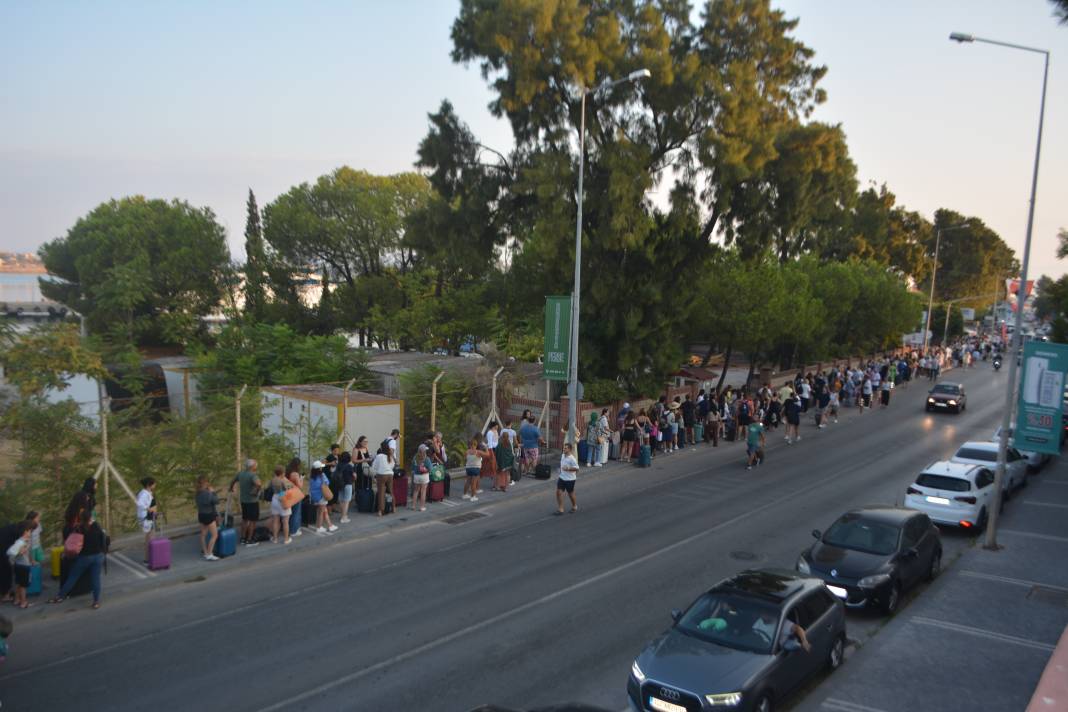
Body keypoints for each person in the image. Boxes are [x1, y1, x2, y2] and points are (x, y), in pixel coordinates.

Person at [48, 512, 106, 610]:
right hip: (98, 556)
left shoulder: (79, 528)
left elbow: (73, 543)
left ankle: (60, 596)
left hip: (84, 557)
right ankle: (96, 602)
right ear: (91, 518)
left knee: (73, 577)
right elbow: (102, 539)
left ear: (81, 519)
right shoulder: (96, 526)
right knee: (95, 579)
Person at [231, 459, 262, 547]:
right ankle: (249, 540)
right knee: (253, 521)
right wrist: (256, 491)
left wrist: (231, 488)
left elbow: (233, 481)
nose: (256, 466)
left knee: (245, 520)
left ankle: (242, 538)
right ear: (252, 466)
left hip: (244, 501)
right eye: (256, 465)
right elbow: (258, 484)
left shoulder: (241, 474)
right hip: (252, 501)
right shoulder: (253, 475)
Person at [5, 522, 33, 609]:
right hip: (24, 566)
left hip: (18, 565)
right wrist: (23, 550)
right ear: (25, 531)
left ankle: (17, 600)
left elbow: (12, 553)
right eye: (29, 531)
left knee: (18, 583)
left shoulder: (18, 540)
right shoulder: (22, 542)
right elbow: (15, 552)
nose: (30, 533)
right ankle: (23, 602)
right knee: (23, 585)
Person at [195, 477, 220, 561]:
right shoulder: (208, 493)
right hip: (209, 515)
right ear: (205, 483)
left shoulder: (197, 493)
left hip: (201, 514)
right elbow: (216, 501)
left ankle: (205, 552)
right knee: (214, 535)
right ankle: (209, 553)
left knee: (203, 535)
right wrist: (213, 492)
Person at [309, 462, 337, 533]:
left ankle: (328, 525)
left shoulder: (312, 476)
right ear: (319, 469)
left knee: (320, 511)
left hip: (315, 497)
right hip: (322, 496)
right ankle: (319, 527)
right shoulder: (322, 475)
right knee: (321, 512)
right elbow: (327, 482)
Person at [136, 477, 158, 564]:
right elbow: (140, 504)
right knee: (151, 538)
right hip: (148, 519)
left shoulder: (147, 493)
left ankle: (147, 558)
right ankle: (149, 558)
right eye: (154, 484)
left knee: (148, 538)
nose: (155, 485)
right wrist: (149, 509)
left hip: (150, 517)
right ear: (149, 485)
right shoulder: (144, 494)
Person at [268, 465, 293, 544]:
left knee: (276, 520)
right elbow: (291, 488)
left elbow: (269, 488)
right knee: (285, 521)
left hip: (275, 498)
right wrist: (285, 479)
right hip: (283, 498)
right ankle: (286, 539)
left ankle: (275, 538)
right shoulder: (283, 480)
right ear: (282, 472)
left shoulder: (273, 480)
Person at [555, 442, 579, 515]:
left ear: (570, 449)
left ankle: (574, 506)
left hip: (570, 479)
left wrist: (568, 469)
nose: (564, 449)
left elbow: (577, 469)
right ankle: (561, 509)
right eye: (563, 448)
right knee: (558, 492)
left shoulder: (572, 459)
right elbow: (563, 465)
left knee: (570, 494)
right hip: (562, 477)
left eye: (565, 448)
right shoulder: (562, 455)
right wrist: (560, 470)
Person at [371, 443, 396, 516]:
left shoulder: (379, 456)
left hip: (382, 475)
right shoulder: (390, 456)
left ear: (382, 448)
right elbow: (392, 465)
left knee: (381, 493)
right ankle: (394, 507)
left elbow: (374, 466)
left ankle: (380, 511)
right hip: (390, 474)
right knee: (391, 491)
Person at [464, 436, 490, 502]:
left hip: (468, 468)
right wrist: (486, 447)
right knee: (474, 483)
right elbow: (488, 455)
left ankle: (464, 494)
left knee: (468, 482)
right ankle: (473, 496)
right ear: (476, 445)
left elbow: (465, 459)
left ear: (470, 445)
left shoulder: (467, 451)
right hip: (475, 468)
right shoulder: (478, 452)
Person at [410, 443, 432, 510]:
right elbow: (430, 469)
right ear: (424, 451)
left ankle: (413, 506)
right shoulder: (427, 459)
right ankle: (422, 507)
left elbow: (412, 467)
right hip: (424, 476)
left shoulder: (415, 457)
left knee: (416, 491)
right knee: (423, 492)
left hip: (416, 476)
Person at [286, 458, 304, 538]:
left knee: (290, 512)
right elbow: (300, 486)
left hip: (289, 493)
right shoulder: (295, 474)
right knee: (296, 512)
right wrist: (302, 479)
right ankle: (294, 530)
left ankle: (289, 528)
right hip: (296, 494)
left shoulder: (288, 473)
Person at [337, 451, 355, 523]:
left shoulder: (338, 465)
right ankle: (344, 517)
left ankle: (342, 515)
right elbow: (354, 475)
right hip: (348, 484)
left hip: (340, 484)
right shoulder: (349, 466)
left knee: (341, 500)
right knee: (347, 501)